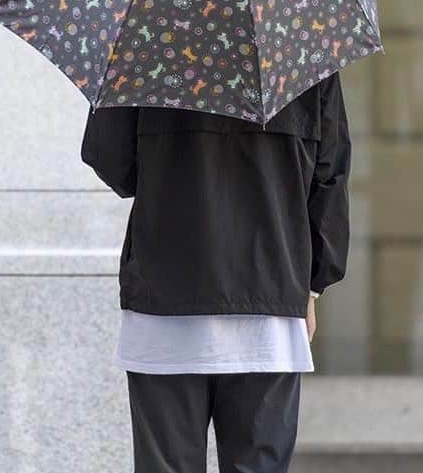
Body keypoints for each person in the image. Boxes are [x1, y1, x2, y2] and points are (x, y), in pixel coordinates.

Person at [81, 72, 350, 473]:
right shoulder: (302, 47)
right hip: (271, 302)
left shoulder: (146, 38)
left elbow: (111, 160)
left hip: (164, 300)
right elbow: (330, 175)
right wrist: (313, 286)